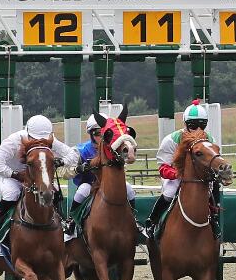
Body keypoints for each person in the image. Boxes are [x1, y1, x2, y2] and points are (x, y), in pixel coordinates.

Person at [0, 114, 80, 228]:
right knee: (12, 194)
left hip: (36, 178)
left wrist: (59, 162)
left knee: (55, 191)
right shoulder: (13, 141)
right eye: (34, 138)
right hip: (10, 178)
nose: (40, 142)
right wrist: (15, 174)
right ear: (27, 133)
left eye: (43, 139)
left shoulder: (49, 140)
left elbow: (74, 155)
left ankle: (61, 220)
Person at [145, 100, 219, 238]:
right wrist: (178, 174)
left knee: (213, 191)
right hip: (177, 177)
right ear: (185, 124)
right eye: (193, 125)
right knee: (169, 192)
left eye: (202, 125)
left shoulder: (210, 139)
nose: (198, 129)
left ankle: (215, 220)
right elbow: (163, 167)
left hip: (201, 177)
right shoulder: (172, 140)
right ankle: (152, 221)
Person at [63, 114, 137, 235]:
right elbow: (65, 174)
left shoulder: (113, 148)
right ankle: (71, 220)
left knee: (129, 189)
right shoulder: (80, 150)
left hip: (110, 185)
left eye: (105, 133)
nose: (102, 137)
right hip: (90, 184)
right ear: (91, 135)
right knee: (82, 190)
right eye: (98, 133)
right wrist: (79, 168)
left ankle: (134, 219)